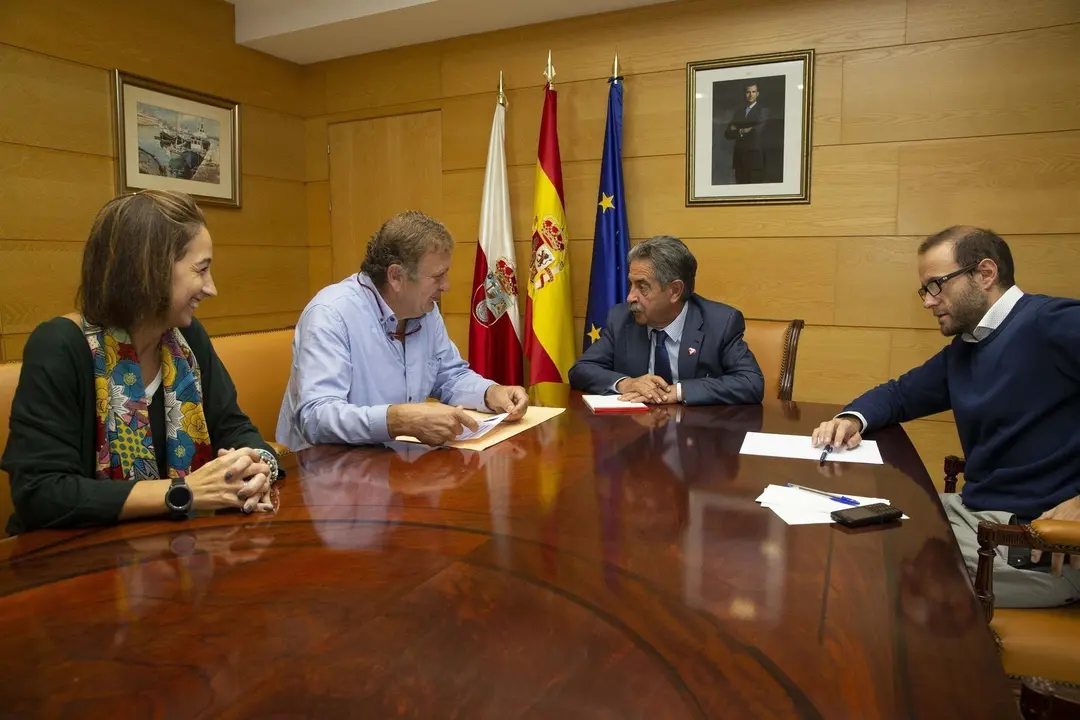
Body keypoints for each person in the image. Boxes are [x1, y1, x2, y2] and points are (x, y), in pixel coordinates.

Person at [811, 226, 1080, 608]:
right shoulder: (968, 346)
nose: (928, 301)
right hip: (979, 511)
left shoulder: (1054, 323)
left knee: (876, 572)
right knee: (852, 524)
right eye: (925, 290)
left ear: (985, 274)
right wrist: (853, 418)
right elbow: (900, 394)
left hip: (1039, 544)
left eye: (936, 285)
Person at [2, 191, 279, 535]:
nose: (211, 288)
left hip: (176, 550)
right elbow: (41, 494)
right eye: (201, 270)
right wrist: (183, 492)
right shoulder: (60, 345)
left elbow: (235, 427)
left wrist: (258, 466)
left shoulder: (188, 340)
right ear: (150, 271)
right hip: (70, 559)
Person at [276, 210, 528, 451]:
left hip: (394, 464)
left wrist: (490, 393)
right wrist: (397, 420)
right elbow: (315, 417)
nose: (447, 286)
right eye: (438, 276)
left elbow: (449, 376)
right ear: (396, 276)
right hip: (324, 472)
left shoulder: (423, 310)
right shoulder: (330, 314)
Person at [568, 235, 764, 406]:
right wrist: (626, 383)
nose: (630, 297)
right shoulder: (621, 318)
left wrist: (677, 391)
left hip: (698, 437)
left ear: (675, 291)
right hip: (636, 435)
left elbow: (750, 382)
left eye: (642, 286)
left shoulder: (720, 322)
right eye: (631, 284)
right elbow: (581, 370)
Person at [724, 82, 769, 184]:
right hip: (739, 160)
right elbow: (727, 133)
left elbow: (756, 132)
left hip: (755, 161)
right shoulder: (738, 112)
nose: (750, 95)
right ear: (744, 93)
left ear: (757, 93)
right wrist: (744, 130)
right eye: (748, 92)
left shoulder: (762, 111)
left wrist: (738, 129)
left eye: (753, 92)